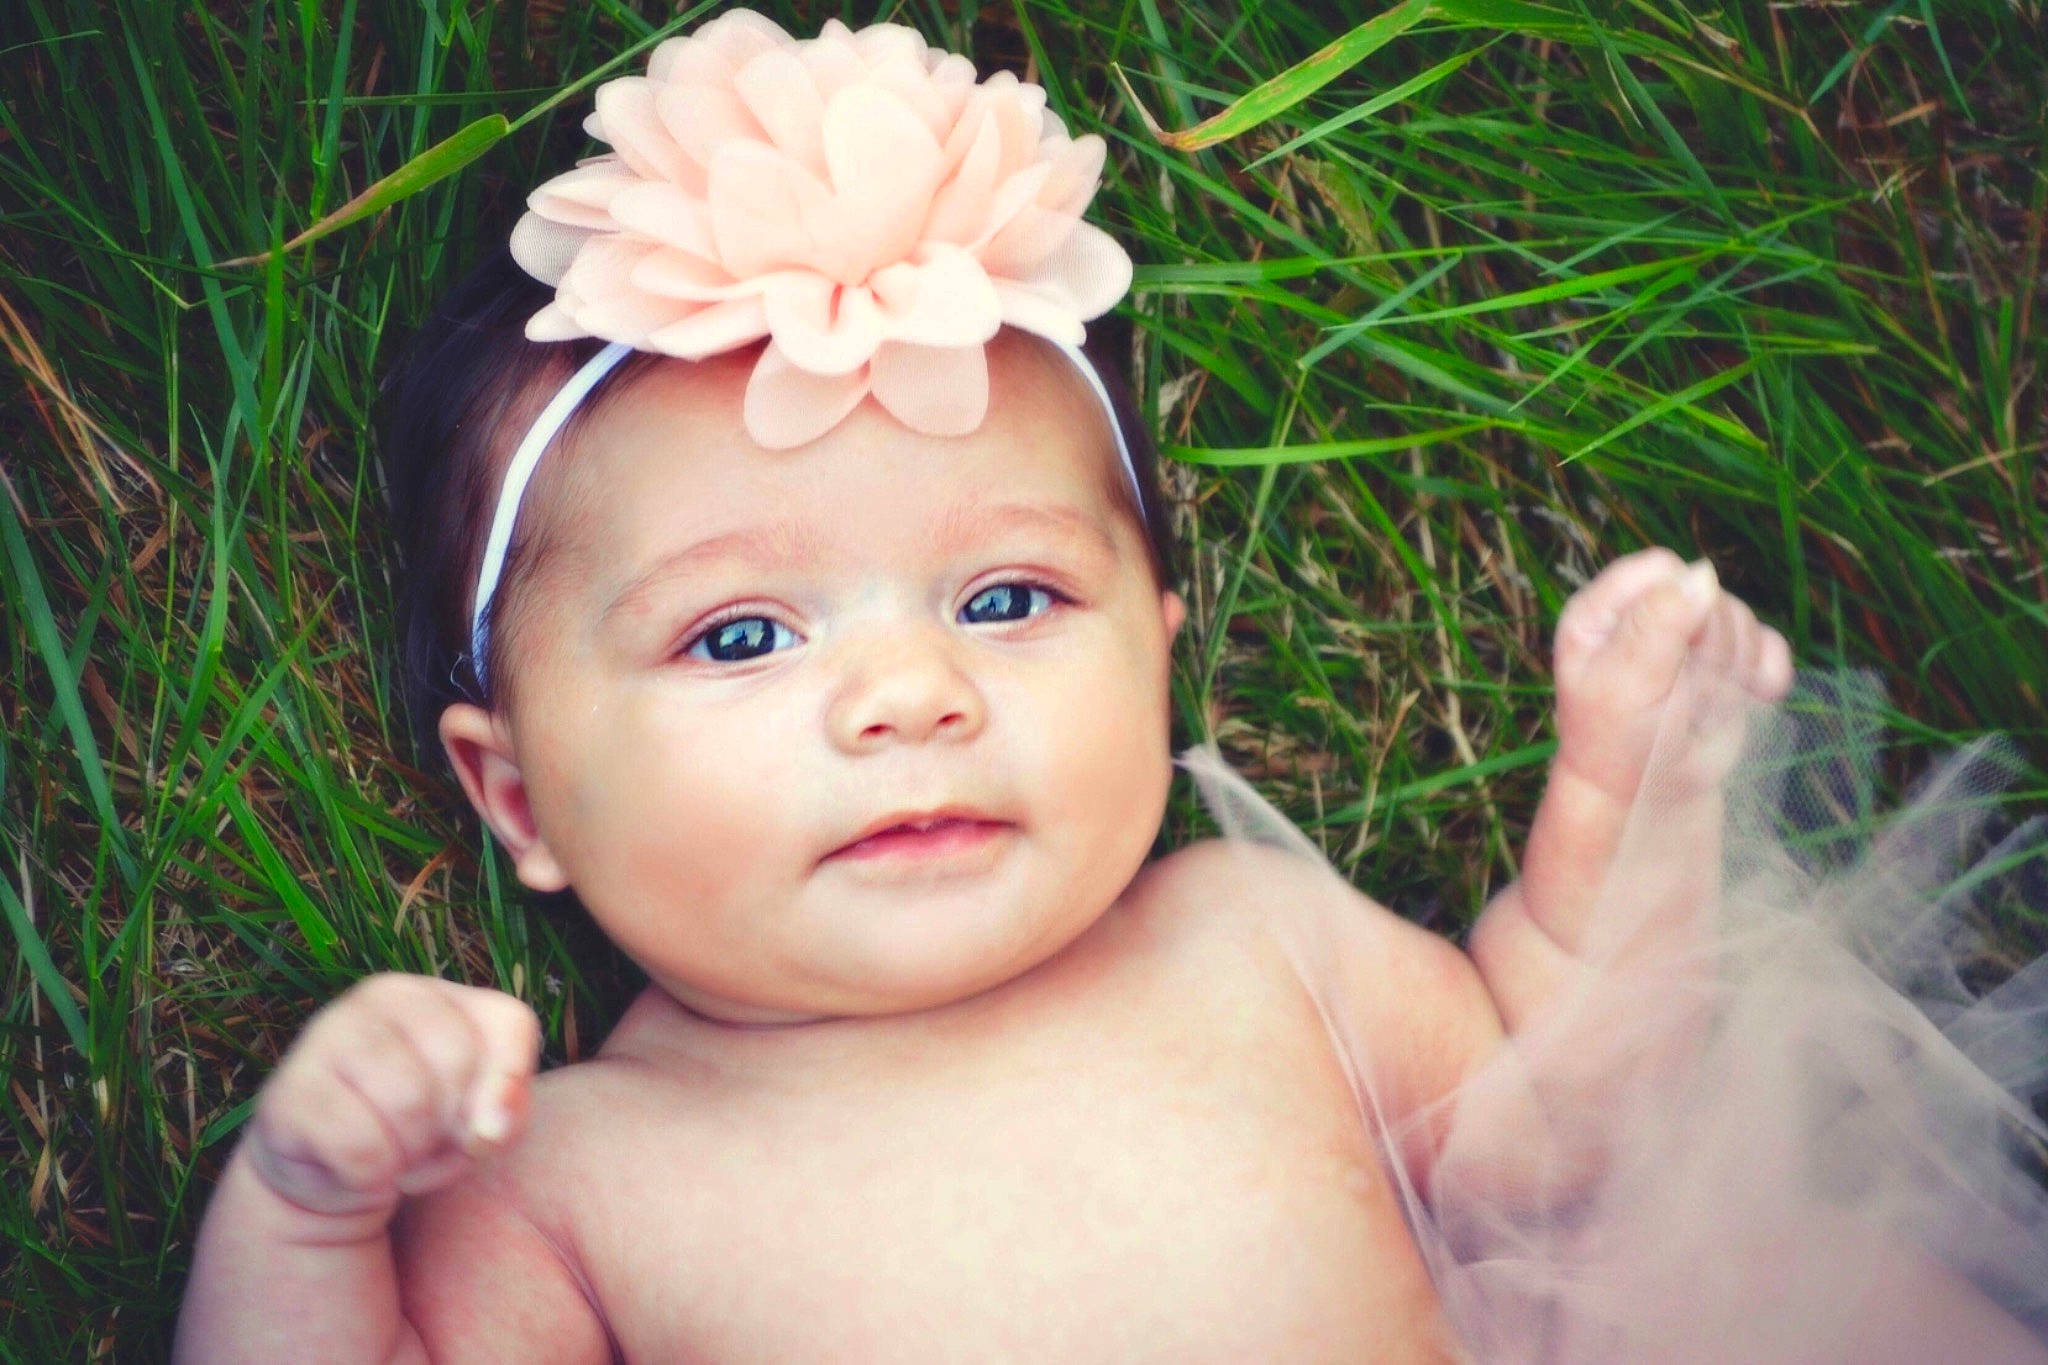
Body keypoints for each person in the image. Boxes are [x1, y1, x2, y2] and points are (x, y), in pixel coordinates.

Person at [173, 10, 2048, 1362]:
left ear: (1157, 640)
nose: (909, 690)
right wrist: (310, 1205)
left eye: (1007, 595)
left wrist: (1635, 809)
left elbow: (1557, 1141)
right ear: (515, 800)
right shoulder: (566, 1174)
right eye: (741, 634)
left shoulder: (1244, 943)